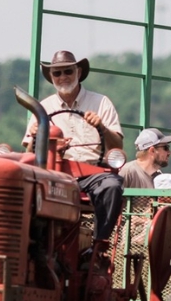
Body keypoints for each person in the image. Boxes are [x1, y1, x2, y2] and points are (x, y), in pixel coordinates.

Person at [23, 50, 124, 246]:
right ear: (51, 77)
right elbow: (28, 155)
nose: (63, 77)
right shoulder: (43, 108)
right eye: (57, 73)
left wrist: (101, 127)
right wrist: (36, 137)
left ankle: (99, 245)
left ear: (78, 72)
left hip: (92, 173)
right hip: (56, 175)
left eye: (67, 71)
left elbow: (118, 145)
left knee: (112, 186)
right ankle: (34, 245)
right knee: (25, 188)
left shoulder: (100, 102)